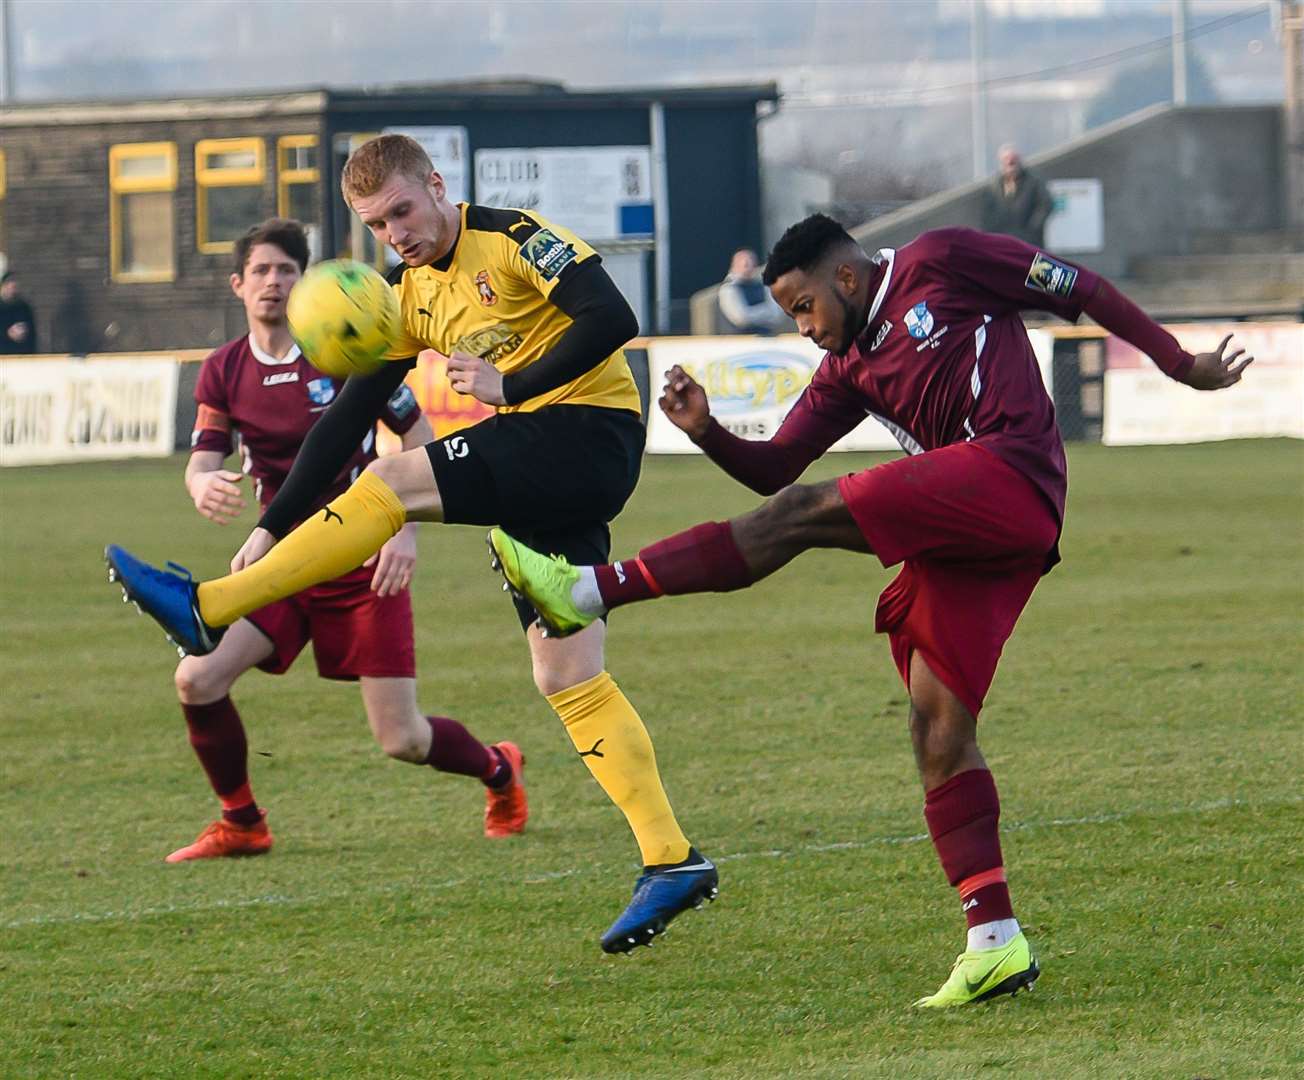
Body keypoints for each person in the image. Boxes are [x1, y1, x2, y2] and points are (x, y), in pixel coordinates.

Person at [486, 214, 1253, 1006]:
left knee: (808, 514)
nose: (804, 328)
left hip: (1011, 472)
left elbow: (1076, 285)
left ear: (844, 279)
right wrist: (708, 430)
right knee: (937, 731)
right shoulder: (848, 366)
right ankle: (994, 941)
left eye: (804, 307)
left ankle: (587, 590)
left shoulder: (944, 260)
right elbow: (773, 468)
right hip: (971, 534)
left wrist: (1179, 362)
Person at [104, 137, 716, 951]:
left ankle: (207, 608)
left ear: (436, 186)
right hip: (543, 465)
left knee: (390, 486)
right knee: (565, 671)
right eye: (375, 224)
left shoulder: (513, 235)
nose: (395, 232)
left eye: (402, 210)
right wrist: (270, 525)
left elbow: (616, 317)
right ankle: (672, 859)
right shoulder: (401, 296)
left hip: (587, 435)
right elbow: (346, 422)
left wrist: (514, 385)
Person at [117, 218, 528, 862]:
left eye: (286, 270)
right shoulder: (223, 369)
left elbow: (420, 439)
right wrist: (200, 484)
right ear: (238, 284)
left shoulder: (348, 351)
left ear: (306, 283)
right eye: (261, 271)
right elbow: (203, 456)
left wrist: (406, 529)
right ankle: (242, 822)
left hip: (363, 563)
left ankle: (499, 770)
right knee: (197, 680)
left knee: (403, 739)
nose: (273, 283)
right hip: (280, 565)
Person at [981, 144, 1054, 248]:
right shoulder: (993, 186)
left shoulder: (1033, 181)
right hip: (1003, 244)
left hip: (1030, 243)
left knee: (1033, 264)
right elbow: (986, 215)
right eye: (1006, 160)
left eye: (1013, 160)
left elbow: (1046, 205)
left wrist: (1033, 228)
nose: (1010, 163)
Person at [717, 247, 790, 335]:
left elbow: (776, 314)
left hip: (767, 338)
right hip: (739, 341)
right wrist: (765, 313)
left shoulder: (765, 286)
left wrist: (753, 314)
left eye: (751, 263)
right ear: (734, 265)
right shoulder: (728, 289)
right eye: (744, 264)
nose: (748, 267)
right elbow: (741, 318)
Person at [0, 271, 38, 354]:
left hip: (20, 354)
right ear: (3, 287)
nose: (12, 292)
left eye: (15, 288)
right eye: (10, 288)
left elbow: (32, 333)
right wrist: (7, 334)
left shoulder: (23, 307)